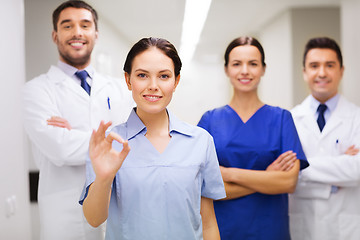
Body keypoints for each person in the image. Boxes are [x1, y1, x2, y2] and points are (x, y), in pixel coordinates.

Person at [79, 37, 226, 240]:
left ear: (176, 81)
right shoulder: (108, 142)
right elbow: (94, 219)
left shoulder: (201, 141)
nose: (153, 85)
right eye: (142, 75)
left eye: (164, 76)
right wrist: (104, 178)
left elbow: (208, 223)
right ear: (128, 80)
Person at [22, 1, 133, 239]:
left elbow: (134, 139)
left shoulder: (118, 88)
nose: (77, 33)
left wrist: (74, 134)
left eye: (85, 25)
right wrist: (113, 136)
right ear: (55, 35)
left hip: (115, 211)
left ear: (96, 33)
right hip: (64, 219)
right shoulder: (36, 90)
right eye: (67, 26)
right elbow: (60, 149)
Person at [197, 36, 309, 240]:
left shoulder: (282, 118)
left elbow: (288, 182)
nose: (245, 71)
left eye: (253, 64)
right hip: (223, 231)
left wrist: (228, 174)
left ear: (263, 69)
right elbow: (204, 186)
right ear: (226, 69)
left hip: (271, 231)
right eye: (237, 64)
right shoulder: (210, 121)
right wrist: (266, 177)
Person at [289, 37, 360, 240]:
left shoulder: (357, 117)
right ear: (304, 72)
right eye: (314, 66)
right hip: (303, 227)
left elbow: (356, 170)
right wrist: (338, 171)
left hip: (346, 229)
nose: (322, 73)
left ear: (341, 70)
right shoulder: (290, 119)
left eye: (329, 65)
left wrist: (301, 166)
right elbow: (285, 175)